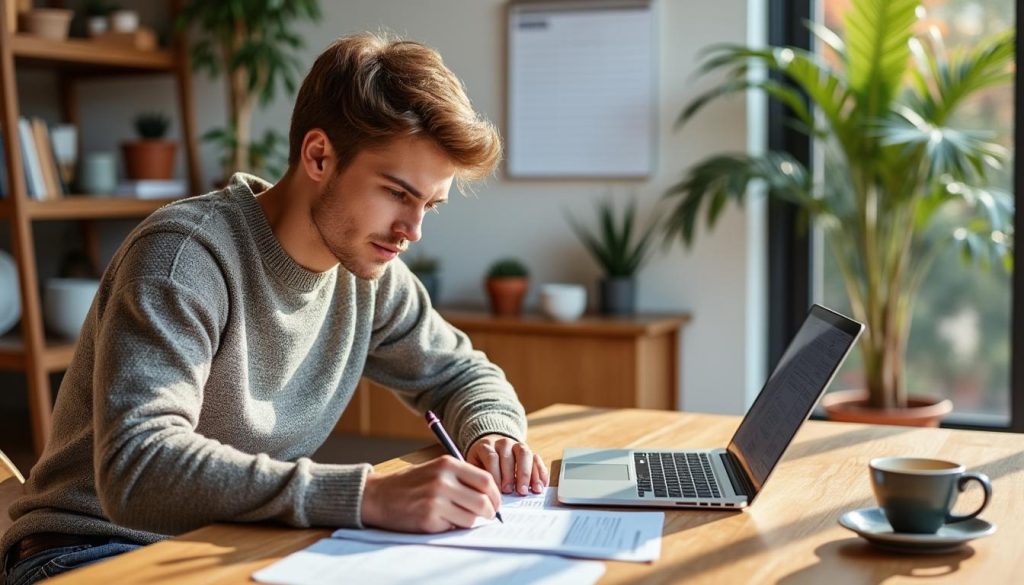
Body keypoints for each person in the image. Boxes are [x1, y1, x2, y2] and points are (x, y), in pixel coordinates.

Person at [1, 32, 549, 584]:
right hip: (89, 553)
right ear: (318, 155)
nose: (413, 230)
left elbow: (460, 371)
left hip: (233, 547)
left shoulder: (369, 271)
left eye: (429, 204)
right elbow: (138, 468)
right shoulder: (183, 257)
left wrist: (491, 434)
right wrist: (366, 496)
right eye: (396, 193)